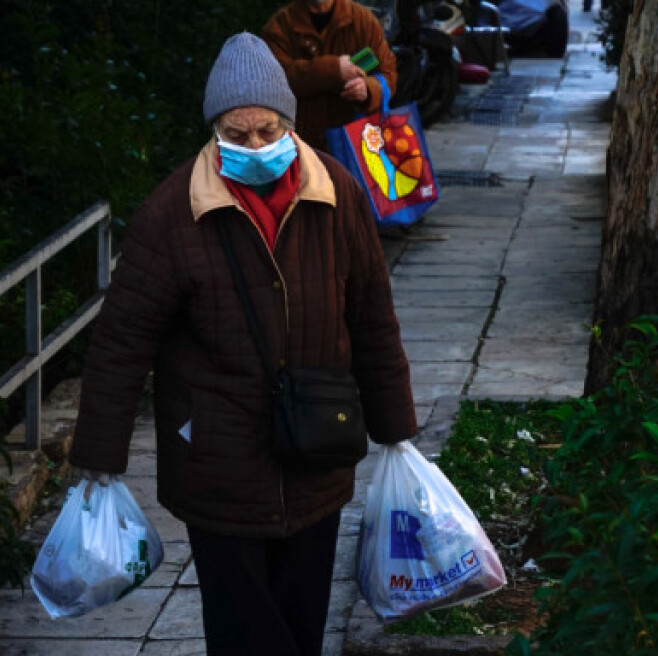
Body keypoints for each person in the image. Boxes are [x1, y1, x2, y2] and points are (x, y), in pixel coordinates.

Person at [67, 32, 416, 656]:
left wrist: (397, 430)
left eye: (267, 131)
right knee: (241, 626)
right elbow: (122, 341)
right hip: (216, 460)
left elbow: (372, 317)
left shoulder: (335, 192)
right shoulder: (172, 213)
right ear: (214, 131)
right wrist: (101, 455)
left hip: (316, 449)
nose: (255, 146)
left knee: (302, 618)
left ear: (290, 123)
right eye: (237, 134)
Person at [263, 0, 398, 151]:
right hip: (298, 146)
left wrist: (368, 89)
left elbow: (389, 75)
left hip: (354, 148)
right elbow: (272, 81)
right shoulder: (280, 25)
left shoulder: (363, 21)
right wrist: (334, 69)